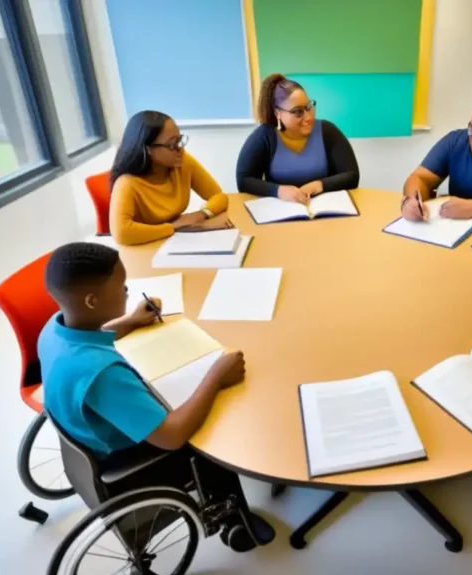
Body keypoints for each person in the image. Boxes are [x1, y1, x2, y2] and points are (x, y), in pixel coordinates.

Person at [38, 242, 274, 547]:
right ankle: (234, 520)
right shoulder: (101, 374)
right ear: (92, 301)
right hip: (127, 457)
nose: (127, 291)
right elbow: (172, 436)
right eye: (121, 286)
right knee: (210, 433)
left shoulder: (53, 329)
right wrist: (216, 377)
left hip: (88, 434)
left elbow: (93, 338)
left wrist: (130, 321)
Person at [110, 111, 232, 246]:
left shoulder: (182, 162)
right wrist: (174, 227)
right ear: (148, 149)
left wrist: (200, 215)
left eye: (179, 140)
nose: (180, 150)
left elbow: (219, 196)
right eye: (172, 144)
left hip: (176, 241)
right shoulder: (126, 183)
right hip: (145, 247)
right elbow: (122, 233)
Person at [235, 73, 360, 203]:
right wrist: (278, 190)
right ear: (278, 113)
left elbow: (352, 175)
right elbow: (244, 180)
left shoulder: (327, 131)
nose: (308, 117)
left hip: (324, 208)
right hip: (281, 209)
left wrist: (319, 185)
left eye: (309, 107)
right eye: (297, 111)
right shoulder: (265, 136)